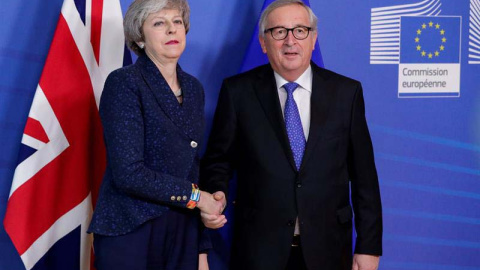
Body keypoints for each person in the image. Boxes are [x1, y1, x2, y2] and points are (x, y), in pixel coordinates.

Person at [200, 0, 382, 269]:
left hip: (329, 250)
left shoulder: (346, 93)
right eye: (279, 32)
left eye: (300, 31)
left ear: (313, 38)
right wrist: (216, 193)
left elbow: (365, 177)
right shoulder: (238, 92)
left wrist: (368, 247)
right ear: (263, 43)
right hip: (258, 250)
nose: (290, 41)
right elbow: (218, 161)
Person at [88, 0, 225, 269]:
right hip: (131, 227)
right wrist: (199, 199)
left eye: (177, 22)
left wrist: (201, 247)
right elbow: (129, 173)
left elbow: (191, 168)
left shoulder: (194, 88)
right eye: (159, 23)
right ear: (139, 37)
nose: (172, 30)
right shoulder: (124, 83)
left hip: (182, 229)